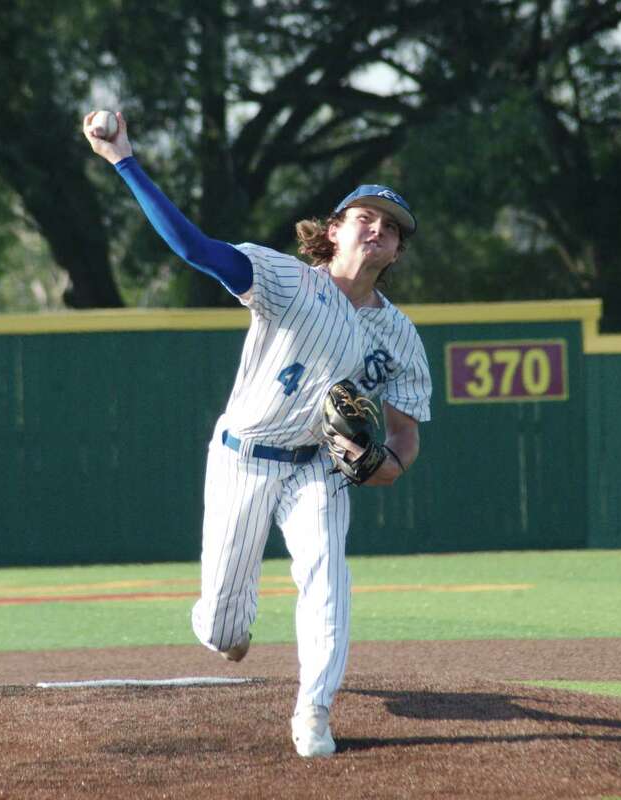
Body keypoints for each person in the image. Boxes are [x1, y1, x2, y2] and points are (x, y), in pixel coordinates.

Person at [83, 109, 432, 758]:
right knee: (223, 632)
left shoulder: (401, 337)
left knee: (327, 578)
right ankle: (228, 624)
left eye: (391, 229)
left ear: (396, 251)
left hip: (318, 469)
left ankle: (314, 714)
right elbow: (195, 250)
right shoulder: (285, 281)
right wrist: (122, 161)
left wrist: (385, 463)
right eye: (366, 217)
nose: (378, 229)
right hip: (244, 456)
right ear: (335, 230)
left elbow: (406, 437)